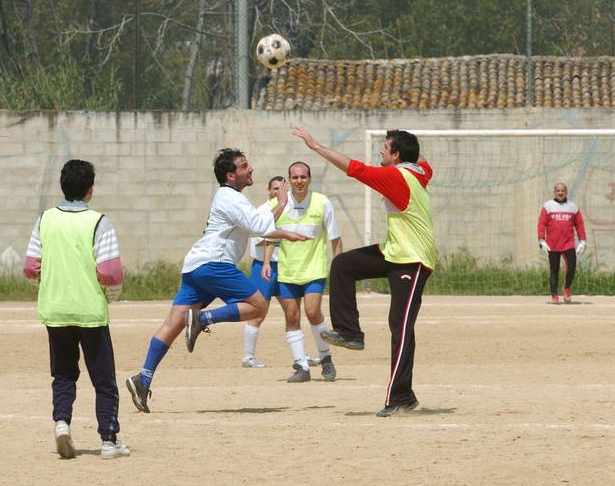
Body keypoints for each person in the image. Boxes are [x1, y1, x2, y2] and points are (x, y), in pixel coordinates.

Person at [126, 148, 308, 413]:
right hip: (214, 264)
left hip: (196, 266)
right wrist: (282, 201)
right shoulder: (230, 196)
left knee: (173, 324)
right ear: (230, 175)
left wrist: (286, 233)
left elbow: (255, 224)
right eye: (244, 166)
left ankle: (143, 378)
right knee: (258, 305)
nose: (250, 169)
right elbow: (258, 226)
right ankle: (203, 319)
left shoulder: (231, 197)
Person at [292, 127, 436, 417]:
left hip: (414, 260)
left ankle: (401, 397)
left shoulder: (396, 176)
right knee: (344, 264)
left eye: (385, 148)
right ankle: (349, 331)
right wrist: (403, 141)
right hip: (394, 251)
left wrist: (316, 145)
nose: (380, 151)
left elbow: (354, 168)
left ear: (396, 155)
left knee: (401, 328)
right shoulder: (420, 170)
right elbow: (420, 159)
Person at [23, 159, 130, 459]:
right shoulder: (98, 221)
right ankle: (109, 440)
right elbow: (110, 272)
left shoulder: (45, 219)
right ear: (90, 190)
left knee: (63, 374)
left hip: (55, 310)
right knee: (103, 379)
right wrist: (112, 294)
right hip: (90, 311)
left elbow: (31, 267)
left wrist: (49, 282)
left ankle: (62, 423)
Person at [263, 161, 343, 383]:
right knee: (291, 316)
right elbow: (270, 234)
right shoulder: (278, 204)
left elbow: (335, 238)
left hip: (314, 269)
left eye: (303, 177)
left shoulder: (322, 202)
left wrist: (339, 270)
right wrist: (268, 261)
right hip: (288, 269)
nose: (299, 181)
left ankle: (325, 358)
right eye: (295, 177)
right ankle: (301, 365)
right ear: (289, 180)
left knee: (312, 311)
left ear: (309, 179)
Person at [242, 175, 285, 368]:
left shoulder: (291, 210)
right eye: (275, 188)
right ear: (269, 191)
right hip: (263, 267)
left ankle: (301, 354)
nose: (278, 191)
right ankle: (248, 356)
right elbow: (256, 240)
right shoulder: (261, 212)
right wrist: (279, 234)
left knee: (292, 311)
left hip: (285, 267)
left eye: (282, 188)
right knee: (258, 312)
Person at [537, 182, 586, 303]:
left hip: (568, 243)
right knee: (554, 270)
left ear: (566, 192)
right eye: (558, 191)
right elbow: (541, 223)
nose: (560, 193)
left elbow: (579, 224)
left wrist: (582, 241)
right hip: (552, 245)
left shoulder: (573, 207)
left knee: (572, 267)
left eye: (562, 191)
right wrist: (541, 240)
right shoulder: (547, 206)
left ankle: (567, 288)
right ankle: (554, 295)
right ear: (554, 192)